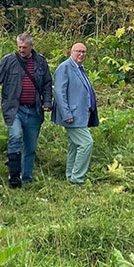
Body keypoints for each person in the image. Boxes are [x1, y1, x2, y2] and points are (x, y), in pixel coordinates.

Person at [0, 33, 52, 188]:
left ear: (31, 47)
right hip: (14, 108)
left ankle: (26, 178)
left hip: (34, 109)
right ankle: (14, 176)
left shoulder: (40, 62)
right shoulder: (8, 61)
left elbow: (47, 84)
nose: (21, 50)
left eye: (25, 47)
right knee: (15, 136)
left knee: (30, 146)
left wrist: (47, 102)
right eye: (19, 47)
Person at [52, 42, 99, 186]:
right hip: (72, 115)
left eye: (84, 52)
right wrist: (66, 114)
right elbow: (59, 93)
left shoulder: (80, 68)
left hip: (82, 114)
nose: (81, 54)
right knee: (86, 143)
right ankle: (77, 178)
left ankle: (70, 175)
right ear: (71, 52)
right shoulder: (64, 67)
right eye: (78, 51)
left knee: (74, 145)